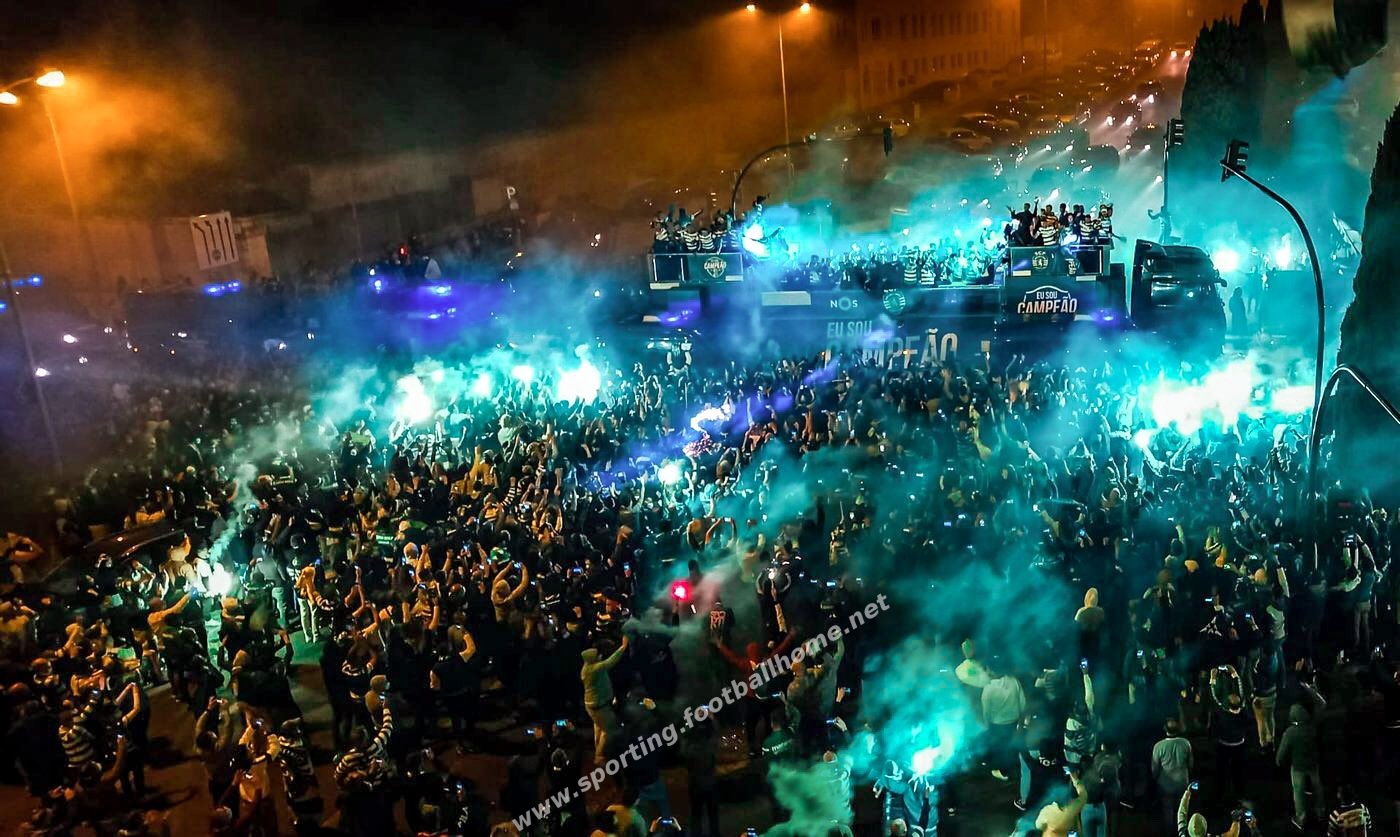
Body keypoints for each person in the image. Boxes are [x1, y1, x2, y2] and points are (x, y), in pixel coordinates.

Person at [581, 635, 629, 763]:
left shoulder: (586, 668)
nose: (600, 656)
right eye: (597, 655)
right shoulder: (594, 669)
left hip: (592, 706)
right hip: (600, 707)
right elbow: (611, 661)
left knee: (598, 728)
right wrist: (623, 647)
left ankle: (598, 750)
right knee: (608, 730)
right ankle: (599, 756)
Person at [1277, 703, 1324, 829]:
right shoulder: (1312, 728)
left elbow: (1282, 752)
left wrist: (1279, 761)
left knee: (1298, 791)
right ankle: (1321, 813)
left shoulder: (1290, 732)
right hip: (1313, 763)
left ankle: (1301, 818)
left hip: (1298, 766)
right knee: (1317, 787)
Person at [1153, 720, 1193, 831]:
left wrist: (1155, 780)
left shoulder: (1158, 746)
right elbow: (1191, 764)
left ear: (1165, 729)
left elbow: (1155, 769)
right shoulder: (1185, 743)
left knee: (1168, 810)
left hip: (1165, 785)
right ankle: (1182, 831)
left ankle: (1170, 832)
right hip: (1182, 782)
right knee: (1183, 809)